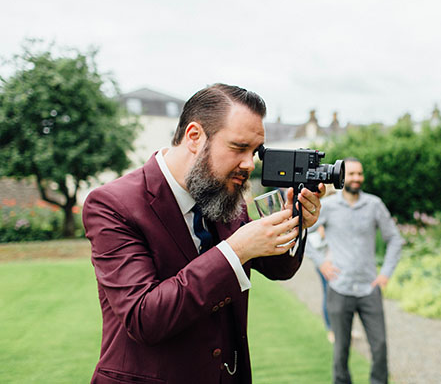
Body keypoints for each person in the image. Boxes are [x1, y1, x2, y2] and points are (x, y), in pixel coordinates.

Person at [82, 83, 324, 384]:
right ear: (194, 137)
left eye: (255, 152)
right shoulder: (113, 204)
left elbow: (277, 268)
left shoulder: (225, 194)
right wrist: (235, 251)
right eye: (238, 148)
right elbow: (143, 317)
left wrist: (296, 222)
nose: (249, 164)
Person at [307, 158, 403, 384]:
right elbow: (303, 232)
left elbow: (395, 239)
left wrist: (385, 273)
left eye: (359, 174)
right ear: (342, 177)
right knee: (341, 350)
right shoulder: (328, 206)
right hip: (339, 288)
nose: (356, 178)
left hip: (370, 288)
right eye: (351, 174)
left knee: (379, 347)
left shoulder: (374, 205)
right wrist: (321, 262)